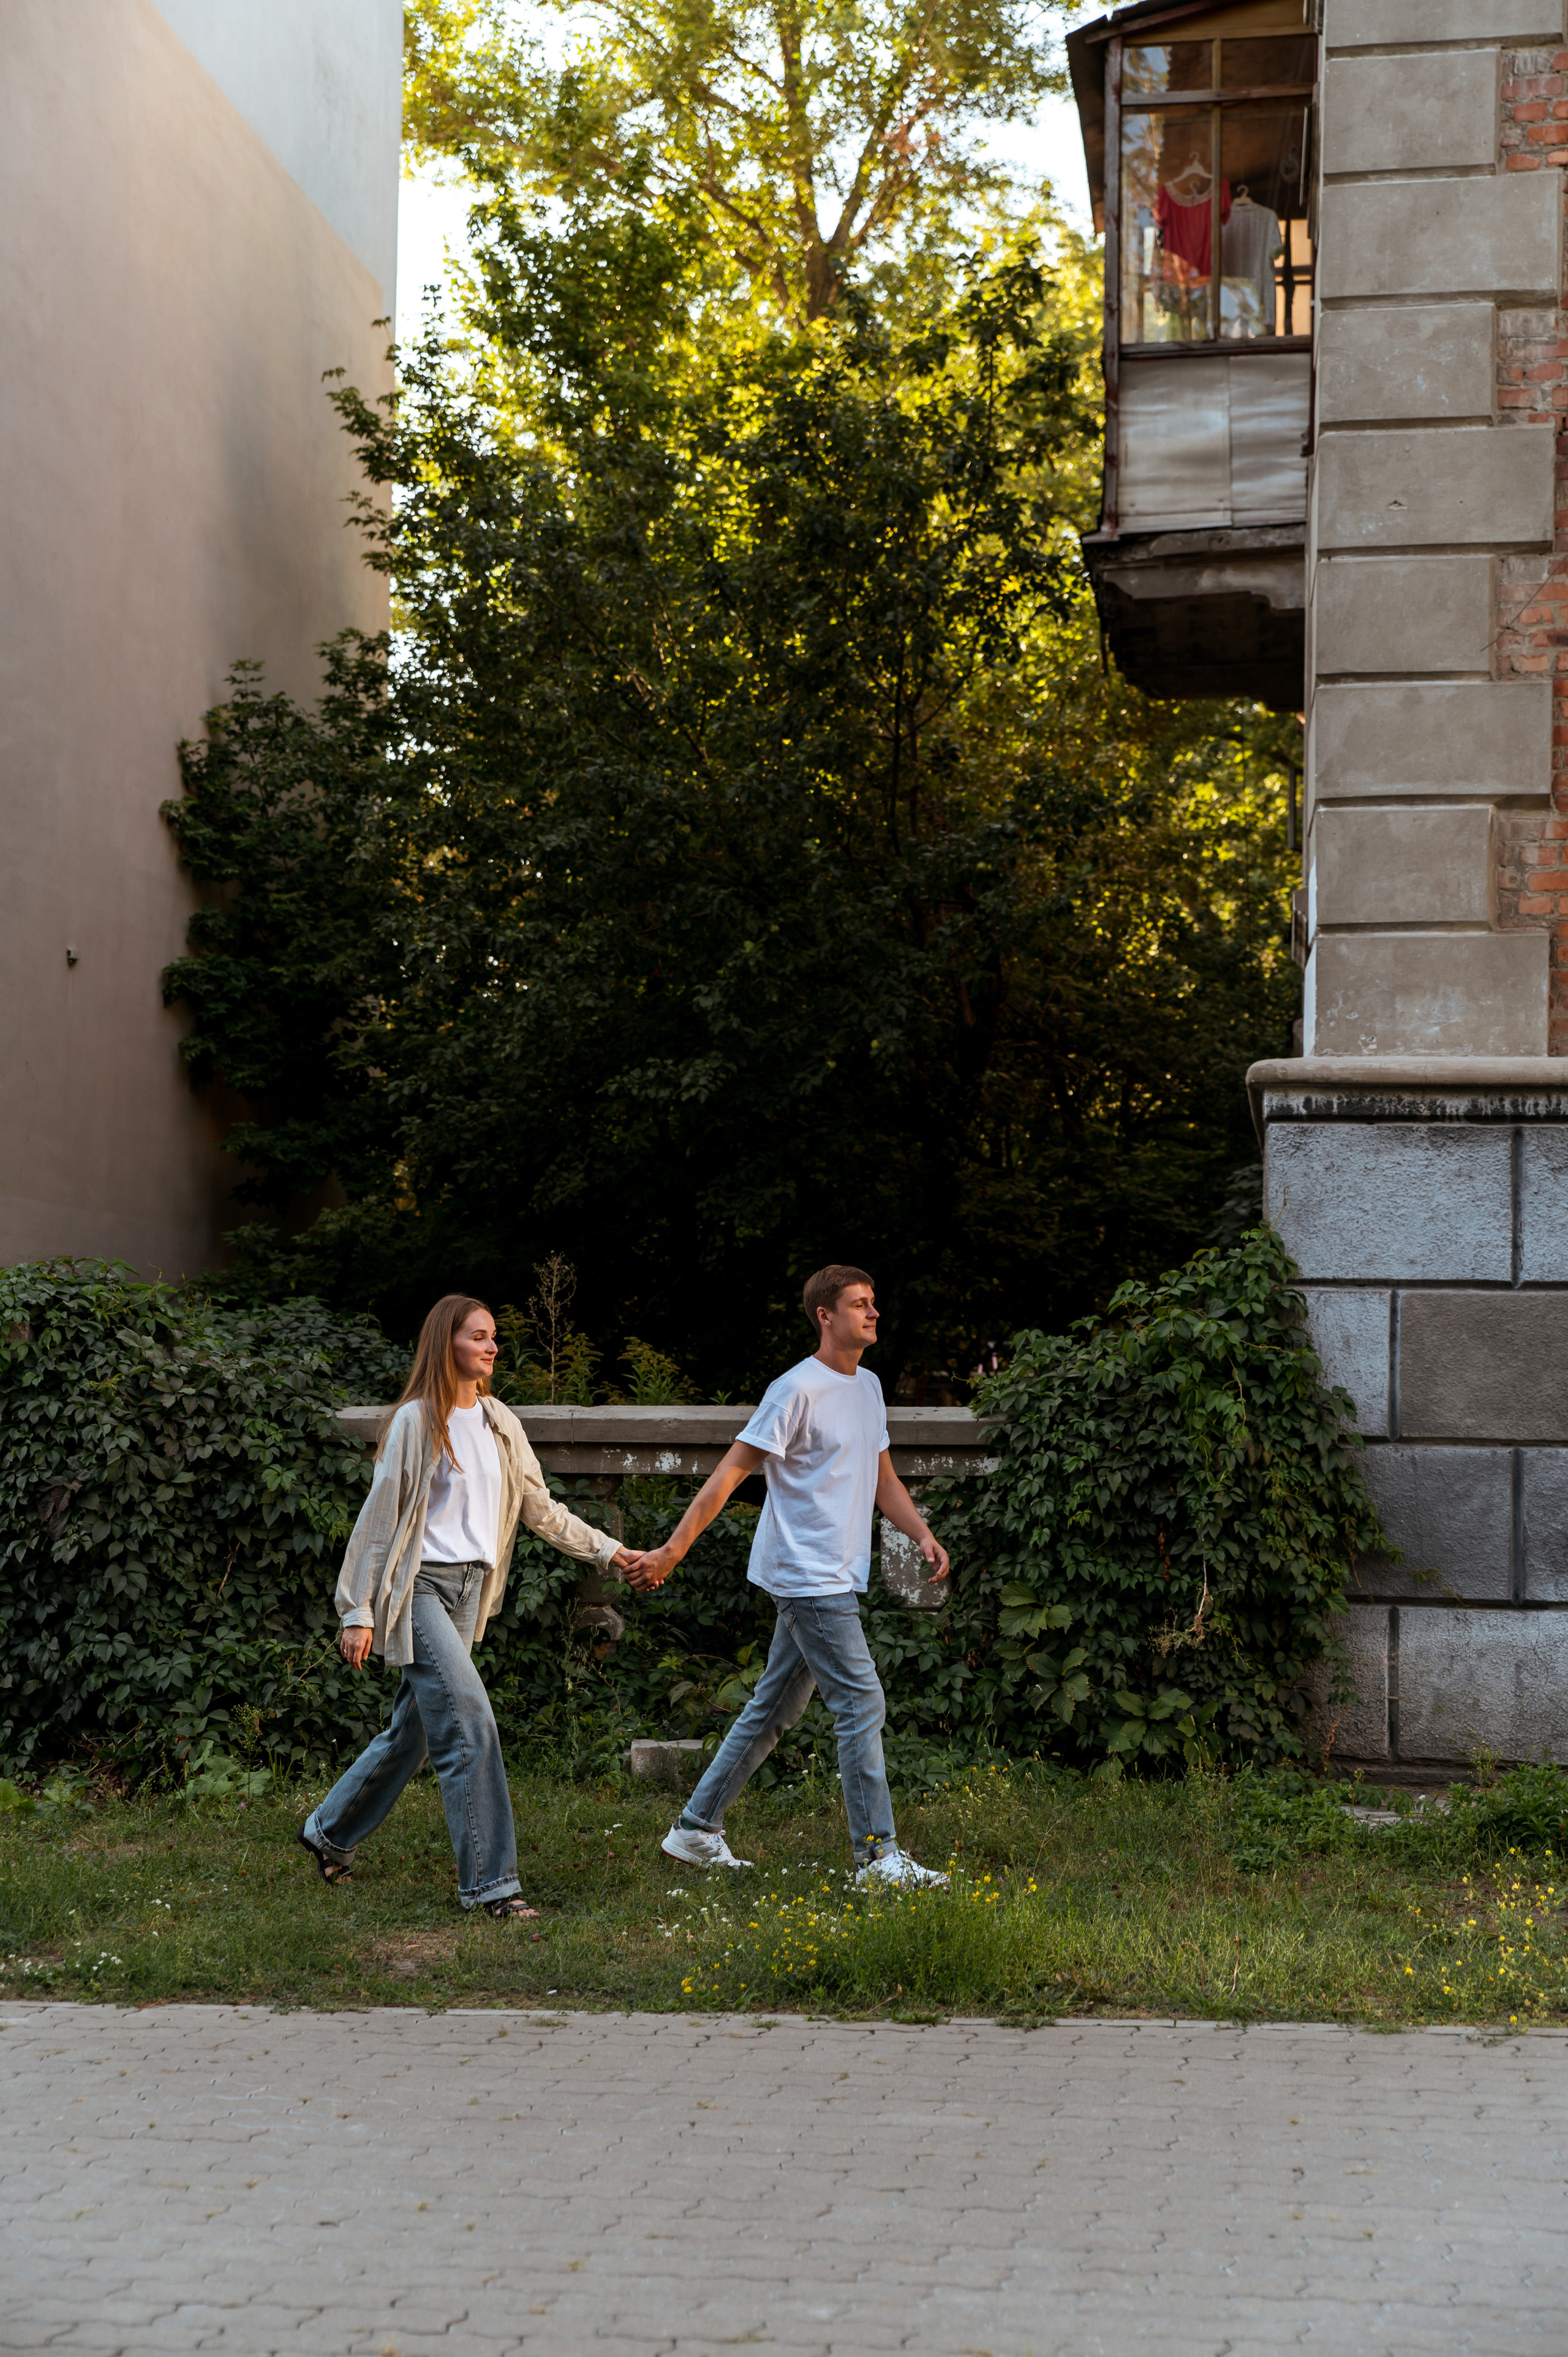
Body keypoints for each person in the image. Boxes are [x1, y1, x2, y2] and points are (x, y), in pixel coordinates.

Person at [300, 1293, 635, 1918]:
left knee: (415, 1733)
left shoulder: (498, 1421)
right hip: (420, 1588)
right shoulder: (416, 1421)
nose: (492, 1347)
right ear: (445, 1342)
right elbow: (379, 1519)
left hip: (468, 1592)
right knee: (470, 1723)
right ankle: (492, 1886)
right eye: (479, 1336)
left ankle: (327, 1831)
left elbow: (541, 1509)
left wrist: (611, 1552)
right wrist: (358, 1609)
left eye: (494, 1337)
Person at [624, 1265, 950, 1888]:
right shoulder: (795, 1389)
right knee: (860, 1700)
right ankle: (877, 1858)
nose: (872, 1312)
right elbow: (729, 1475)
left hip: (835, 1570)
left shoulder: (869, 1386)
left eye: (873, 1302)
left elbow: (883, 1478)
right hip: (806, 1574)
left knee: (773, 1705)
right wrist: (671, 1550)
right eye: (859, 1304)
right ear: (825, 1316)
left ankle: (695, 1829)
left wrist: (921, 1532)